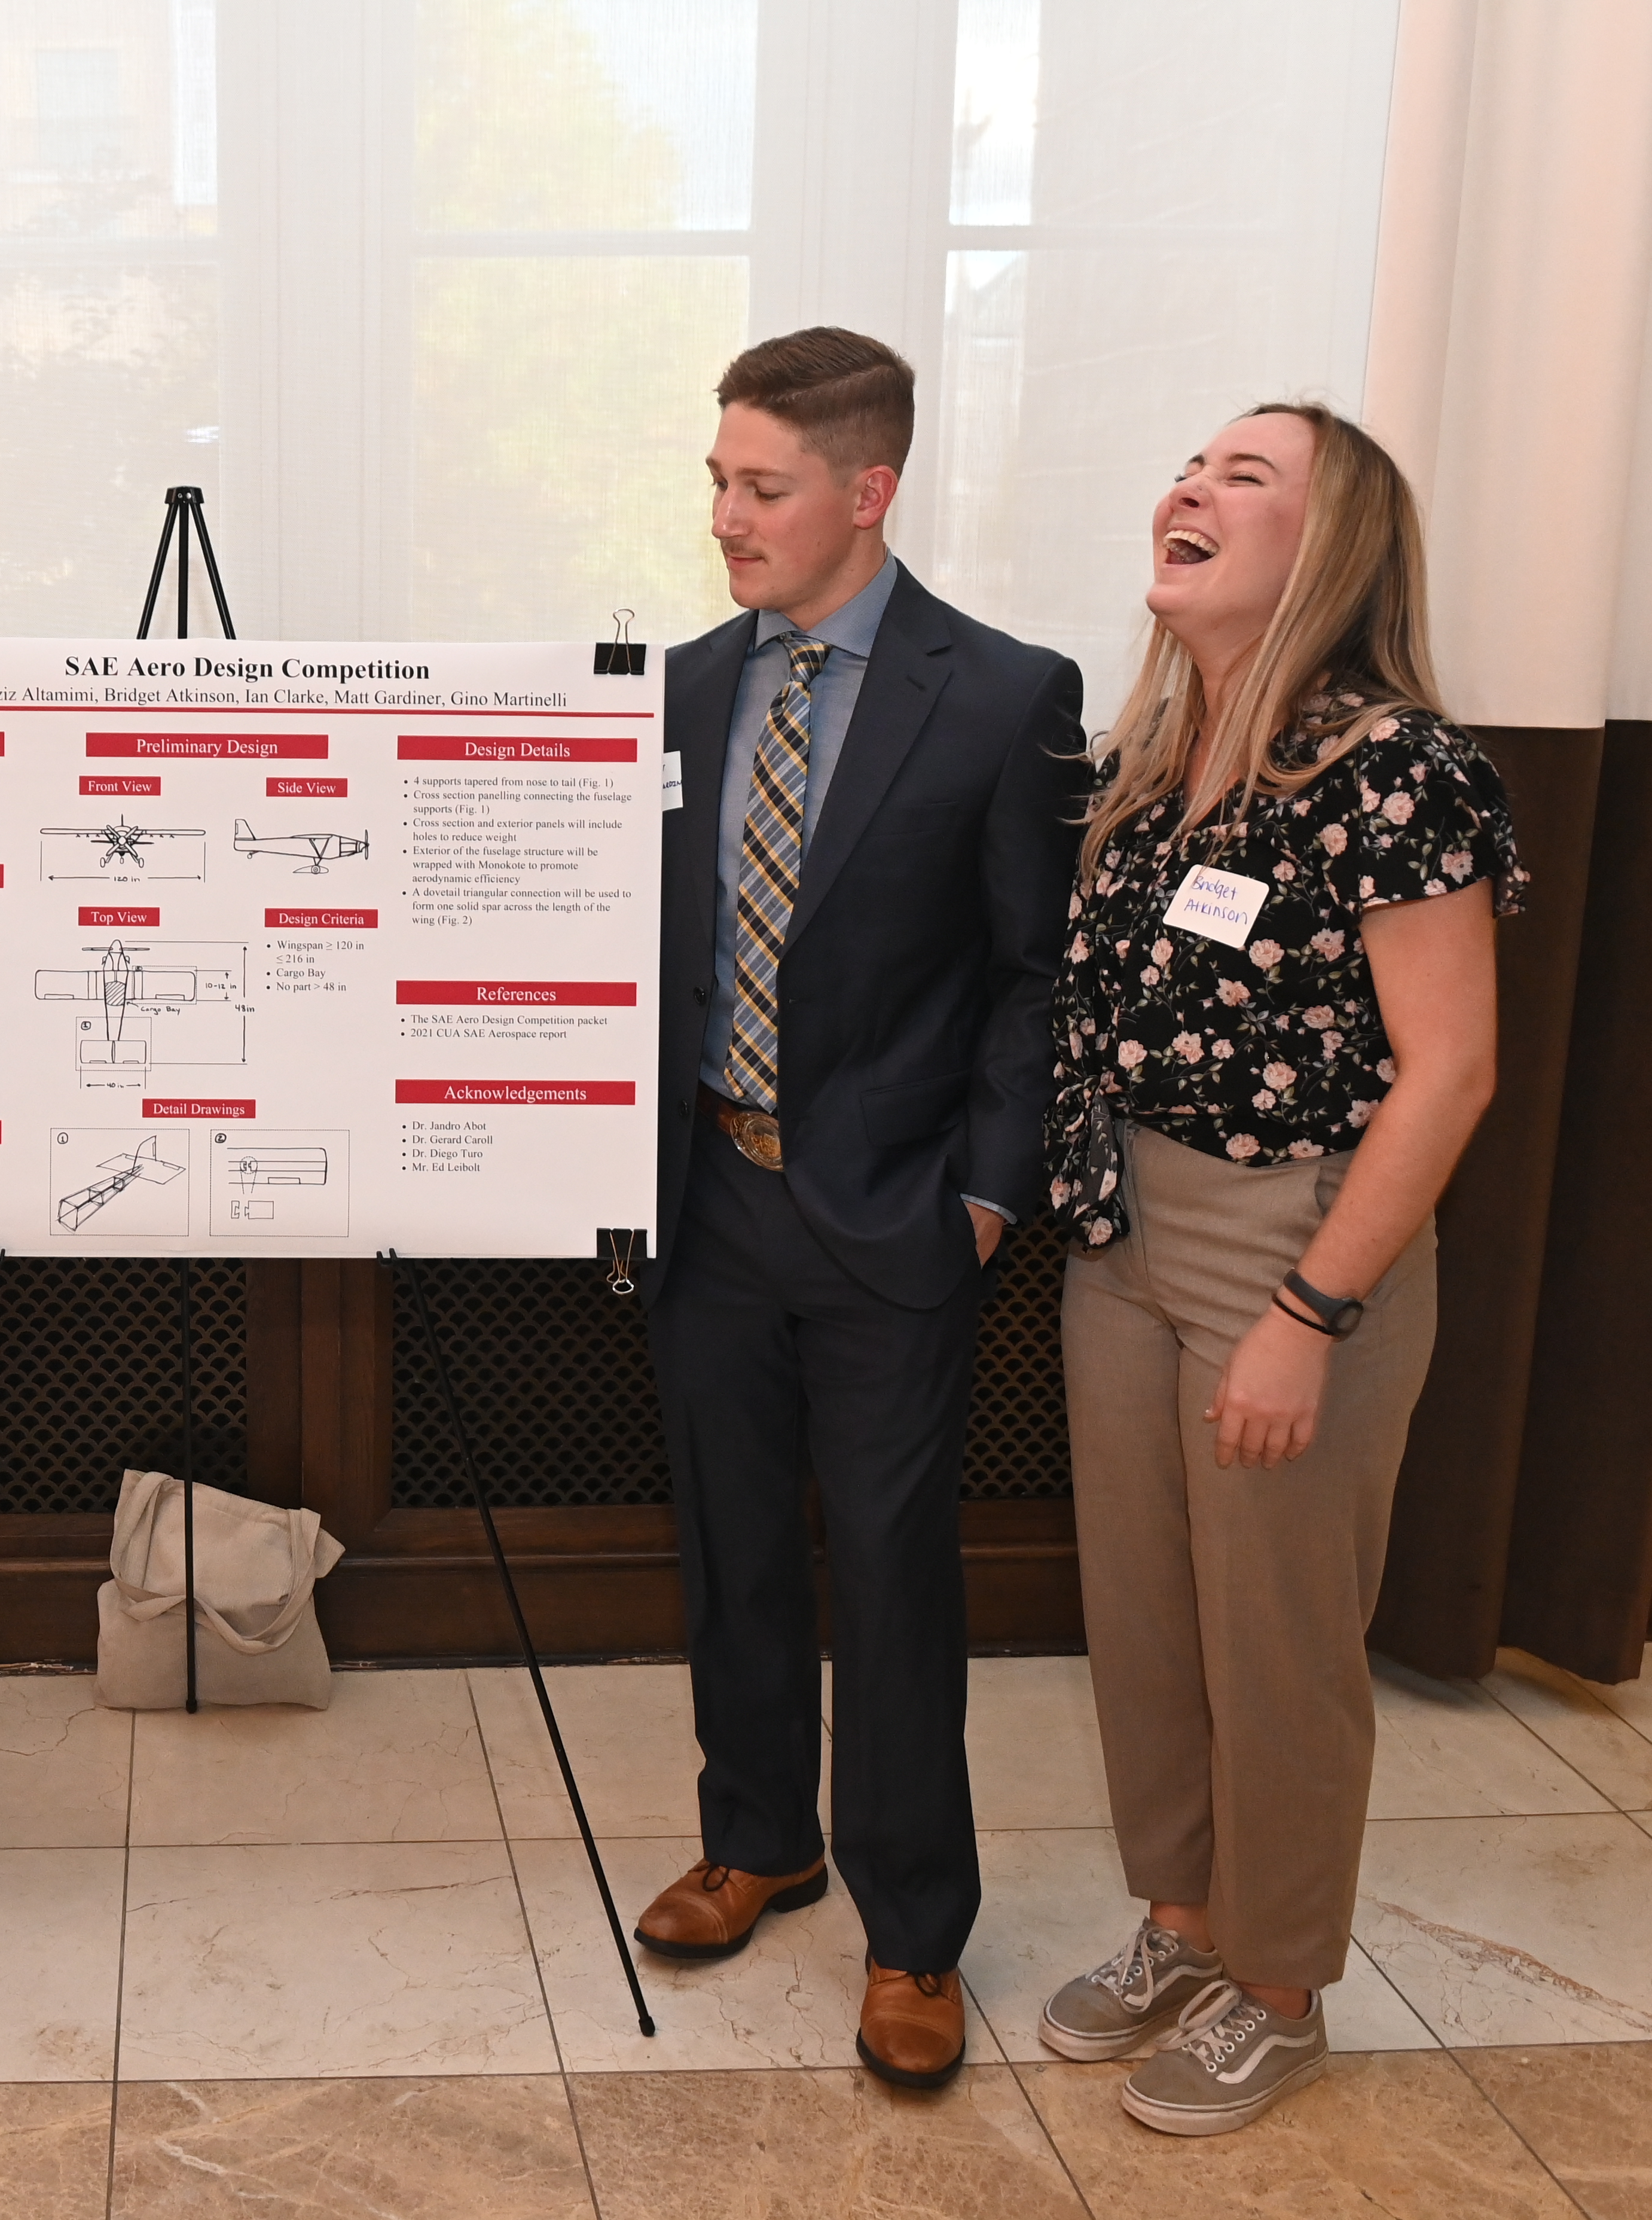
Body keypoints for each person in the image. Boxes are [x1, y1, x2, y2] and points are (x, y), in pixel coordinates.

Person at [1034, 402, 1514, 2135]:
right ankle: (1181, 1921)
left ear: (1331, 548)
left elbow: (1450, 1072)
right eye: (1186, 465)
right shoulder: (1153, 761)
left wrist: (1313, 1311)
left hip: (1297, 1241)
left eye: (1246, 476)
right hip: (1126, 1238)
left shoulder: (1396, 767)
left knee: (1281, 1640)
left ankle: (1280, 1983)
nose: (1189, 488)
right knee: (1151, 1622)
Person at [634, 328, 1085, 2088]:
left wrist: (986, 1193)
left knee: (894, 1582)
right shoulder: (679, 682)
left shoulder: (1000, 692)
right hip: (709, 1204)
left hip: (899, 1218)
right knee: (733, 1553)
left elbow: (1031, 972)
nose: (727, 521)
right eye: (718, 484)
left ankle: (915, 1936)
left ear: (866, 492)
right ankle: (761, 1840)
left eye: (763, 489)